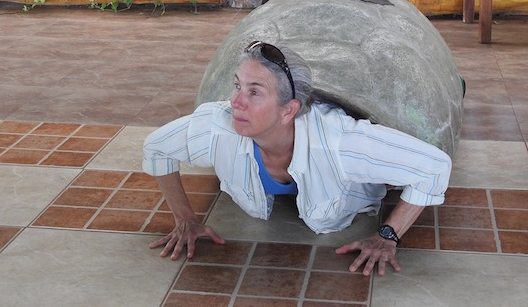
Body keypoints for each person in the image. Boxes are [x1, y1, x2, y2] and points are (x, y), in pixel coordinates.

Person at [142, 40, 452, 276]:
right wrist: (185, 219)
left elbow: (434, 167)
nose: (235, 102)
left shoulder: (342, 143)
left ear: (289, 110)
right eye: (237, 85)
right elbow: (157, 147)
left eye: (254, 92)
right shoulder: (216, 128)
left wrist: (388, 235)